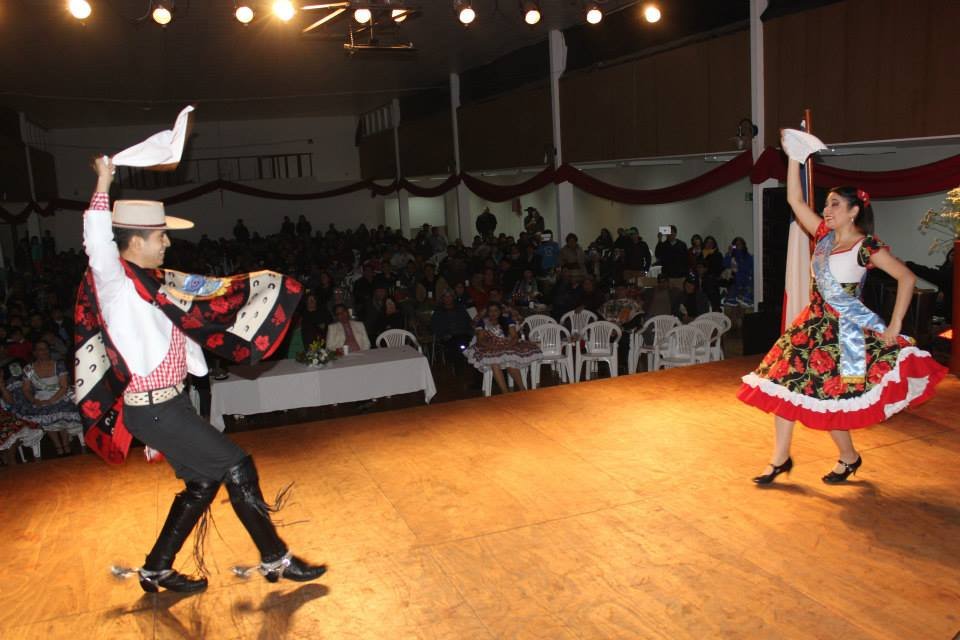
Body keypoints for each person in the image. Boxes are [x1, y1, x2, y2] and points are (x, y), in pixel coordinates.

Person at [79, 157, 325, 594]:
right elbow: (97, 242)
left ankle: (157, 568)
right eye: (160, 236)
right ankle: (277, 558)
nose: (167, 244)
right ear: (134, 240)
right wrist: (103, 181)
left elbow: (189, 326)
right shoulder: (114, 282)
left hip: (170, 405)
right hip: (154, 410)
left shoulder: (154, 284)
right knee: (238, 466)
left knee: (204, 482)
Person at [739, 150, 948, 485]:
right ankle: (780, 458)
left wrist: (894, 326)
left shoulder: (865, 247)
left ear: (853, 212)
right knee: (783, 385)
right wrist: (794, 155)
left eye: (835, 204)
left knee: (832, 399)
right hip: (810, 326)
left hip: (843, 333)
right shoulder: (822, 237)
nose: (827, 209)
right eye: (827, 204)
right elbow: (793, 198)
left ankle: (849, 457)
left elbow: (906, 278)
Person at [463, 303, 540, 394]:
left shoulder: (507, 320)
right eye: (490, 311)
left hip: (507, 345)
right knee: (494, 363)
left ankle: (522, 390)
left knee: (510, 361)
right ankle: (505, 392)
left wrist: (508, 345)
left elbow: (514, 337)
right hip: (489, 347)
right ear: (487, 312)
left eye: (496, 310)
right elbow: (480, 340)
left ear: (500, 312)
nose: (493, 313)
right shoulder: (483, 322)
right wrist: (492, 346)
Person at [722, 237, 754, 307]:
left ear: (743, 245)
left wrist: (738, 268)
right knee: (731, 276)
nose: (738, 246)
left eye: (740, 244)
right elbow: (725, 264)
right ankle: (731, 298)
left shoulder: (748, 257)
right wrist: (729, 254)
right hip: (734, 279)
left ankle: (746, 299)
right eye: (735, 245)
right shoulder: (731, 256)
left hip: (745, 279)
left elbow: (747, 269)